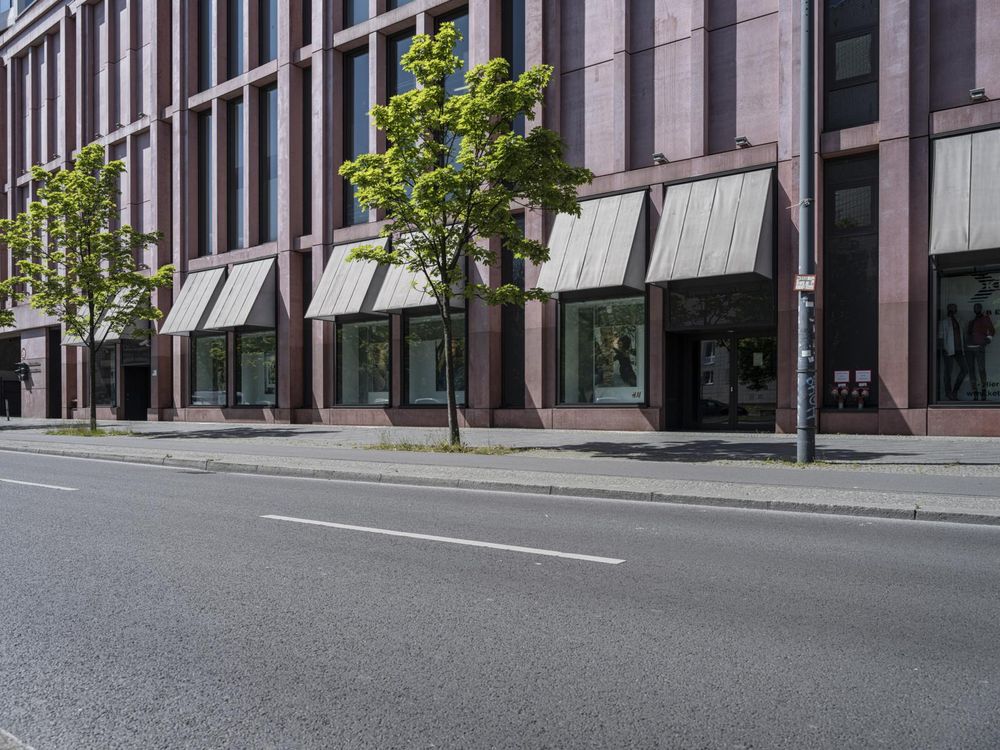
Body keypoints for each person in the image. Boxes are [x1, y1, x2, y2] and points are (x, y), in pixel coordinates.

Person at [965, 303, 995, 401]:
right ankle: (974, 392)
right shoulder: (972, 321)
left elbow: (992, 330)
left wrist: (987, 340)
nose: (976, 308)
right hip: (969, 348)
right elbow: (968, 334)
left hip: (979, 347)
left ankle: (983, 390)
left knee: (981, 369)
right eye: (974, 307)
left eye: (977, 307)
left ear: (981, 308)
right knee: (971, 370)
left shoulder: (985, 318)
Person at [937, 303, 967, 400]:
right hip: (948, 349)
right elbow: (940, 338)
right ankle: (948, 393)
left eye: (954, 309)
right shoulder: (943, 322)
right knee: (948, 372)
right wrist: (943, 348)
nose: (953, 310)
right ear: (948, 310)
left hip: (959, 350)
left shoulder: (959, 321)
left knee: (965, 370)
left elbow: (963, 335)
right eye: (951, 309)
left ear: (956, 310)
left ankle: (955, 391)